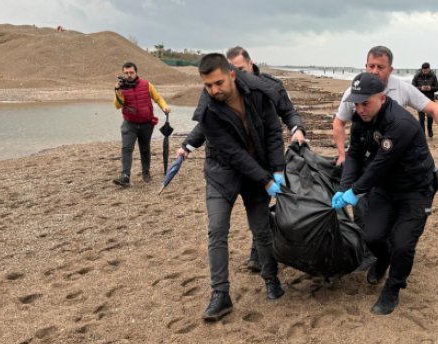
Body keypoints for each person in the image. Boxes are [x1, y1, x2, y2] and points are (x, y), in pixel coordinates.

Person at [176, 53, 285, 322]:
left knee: (261, 230)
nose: (213, 90)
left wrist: (279, 170)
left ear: (232, 75)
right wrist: (266, 180)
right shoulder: (208, 111)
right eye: (208, 85)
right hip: (221, 173)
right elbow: (234, 154)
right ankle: (221, 295)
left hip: (256, 172)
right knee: (217, 230)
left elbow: (272, 131)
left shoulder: (259, 92)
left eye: (218, 83)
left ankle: (272, 280)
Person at [331, 73, 438, 315]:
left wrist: (355, 192)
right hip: (385, 187)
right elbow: (355, 156)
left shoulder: (400, 122)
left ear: (382, 97)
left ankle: (393, 287)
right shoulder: (361, 120)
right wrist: (343, 189)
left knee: (403, 244)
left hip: (416, 189)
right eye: (356, 103)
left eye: (365, 103)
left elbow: (380, 164)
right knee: (371, 236)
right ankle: (383, 259)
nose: (359, 109)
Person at [225, 45, 306, 272]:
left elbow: (288, 111)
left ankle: (259, 253)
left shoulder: (271, 86)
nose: (237, 75)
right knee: (255, 207)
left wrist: (297, 128)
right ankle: (260, 251)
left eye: (241, 69)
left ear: (250, 64)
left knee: (263, 205)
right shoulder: (228, 89)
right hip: (240, 160)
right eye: (232, 70)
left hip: (266, 157)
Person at [332, 46, 438, 167]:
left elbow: (433, 109)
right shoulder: (353, 92)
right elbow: (339, 122)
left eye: (380, 67)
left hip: (393, 151)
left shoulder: (401, 88)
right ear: (366, 66)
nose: (375, 71)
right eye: (371, 66)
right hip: (366, 150)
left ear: (390, 69)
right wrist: (342, 155)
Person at [113, 61, 171, 187]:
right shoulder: (121, 88)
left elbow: (158, 98)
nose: (129, 75)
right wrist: (118, 92)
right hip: (129, 124)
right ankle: (125, 176)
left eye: (131, 72)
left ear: (136, 72)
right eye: (126, 73)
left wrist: (164, 106)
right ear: (123, 73)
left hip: (146, 124)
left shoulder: (146, 84)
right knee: (127, 148)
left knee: (145, 149)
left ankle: (146, 173)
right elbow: (117, 106)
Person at [411, 62, 438, 138]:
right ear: (422, 69)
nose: (426, 72)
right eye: (424, 70)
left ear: (429, 69)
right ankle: (422, 134)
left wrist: (430, 88)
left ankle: (429, 130)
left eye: (427, 70)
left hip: (430, 99)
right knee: (421, 118)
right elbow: (412, 87)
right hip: (419, 99)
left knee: (430, 117)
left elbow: (437, 87)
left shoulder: (433, 75)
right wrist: (421, 88)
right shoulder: (417, 75)